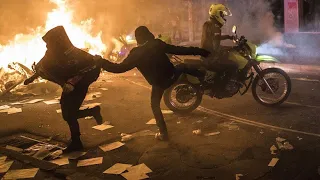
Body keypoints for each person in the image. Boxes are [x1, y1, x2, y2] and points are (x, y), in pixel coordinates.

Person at [98, 26, 210, 141]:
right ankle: (204, 78)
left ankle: (163, 133)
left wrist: (101, 62)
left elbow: (119, 68)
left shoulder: (135, 54)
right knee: (183, 66)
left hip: (159, 84)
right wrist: (202, 52)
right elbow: (180, 50)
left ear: (138, 39)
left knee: (155, 106)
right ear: (148, 34)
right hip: (172, 75)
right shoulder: (157, 44)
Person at [24, 26, 104, 153]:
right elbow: (43, 67)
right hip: (68, 87)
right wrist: (32, 78)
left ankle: (77, 142)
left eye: (49, 43)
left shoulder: (76, 54)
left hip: (78, 87)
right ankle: (92, 112)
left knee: (68, 114)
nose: (47, 47)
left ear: (58, 42)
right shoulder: (52, 54)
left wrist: (73, 82)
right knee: (68, 114)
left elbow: (90, 68)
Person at [200, 4, 239, 97]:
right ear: (218, 14)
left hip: (206, 55)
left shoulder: (209, 24)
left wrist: (229, 37)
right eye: (223, 15)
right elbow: (215, 46)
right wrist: (230, 48)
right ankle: (220, 90)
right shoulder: (215, 27)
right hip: (211, 58)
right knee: (233, 66)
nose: (224, 17)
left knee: (227, 62)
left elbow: (215, 38)